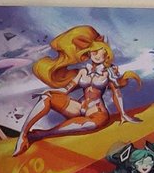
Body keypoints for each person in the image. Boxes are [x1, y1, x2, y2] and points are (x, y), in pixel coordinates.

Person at [13, 25, 141, 155]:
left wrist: (123, 114)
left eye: (100, 52)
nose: (96, 56)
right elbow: (67, 89)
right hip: (79, 108)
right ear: (89, 52)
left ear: (106, 54)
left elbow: (116, 93)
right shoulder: (83, 71)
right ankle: (23, 135)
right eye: (94, 52)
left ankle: (43, 134)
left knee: (87, 125)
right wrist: (49, 92)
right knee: (47, 98)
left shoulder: (108, 74)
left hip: (97, 113)